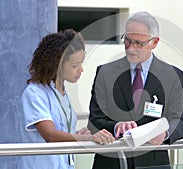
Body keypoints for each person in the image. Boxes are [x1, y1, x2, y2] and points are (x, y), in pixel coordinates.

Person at [87, 11, 183, 169]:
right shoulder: (105, 73)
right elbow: (94, 119)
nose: (131, 48)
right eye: (127, 40)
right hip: (112, 161)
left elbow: (180, 121)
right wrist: (116, 126)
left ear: (154, 43)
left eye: (138, 43)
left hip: (153, 162)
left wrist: (164, 134)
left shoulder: (173, 76)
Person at [21, 29, 115, 169]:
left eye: (81, 64)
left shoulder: (62, 93)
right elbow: (50, 135)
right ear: (57, 65)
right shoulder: (35, 93)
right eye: (75, 66)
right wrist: (88, 138)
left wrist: (77, 134)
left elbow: (61, 133)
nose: (81, 70)